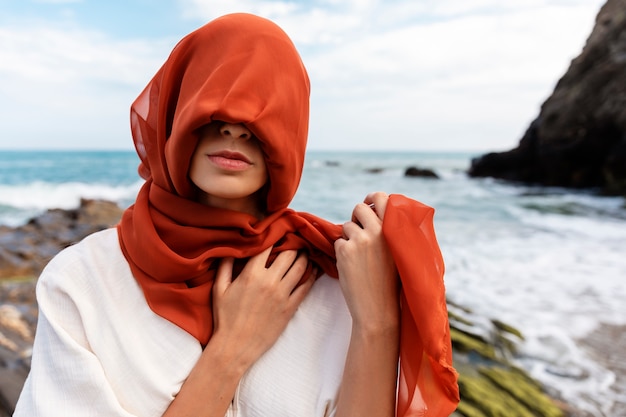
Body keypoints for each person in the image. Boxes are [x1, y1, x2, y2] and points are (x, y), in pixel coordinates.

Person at [14, 13, 459, 417]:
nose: (235, 124)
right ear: (174, 109)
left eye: (263, 104)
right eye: (212, 96)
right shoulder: (80, 282)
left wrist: (377, 321)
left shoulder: (337, 283)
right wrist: (230, 353)